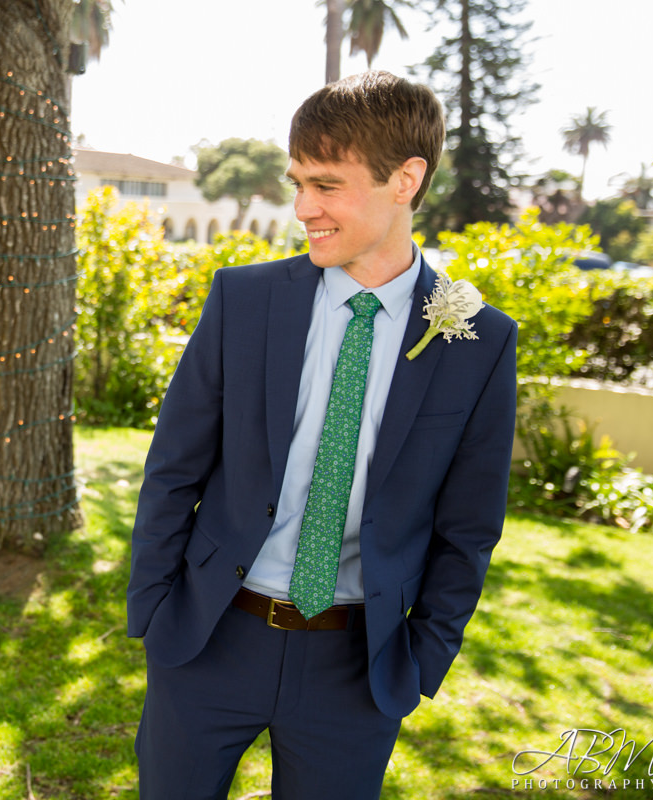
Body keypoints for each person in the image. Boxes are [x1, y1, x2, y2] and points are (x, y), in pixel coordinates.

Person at [127, 71, 518, 799]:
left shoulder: (478, 341)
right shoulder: (241, 301)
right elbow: (173, 467)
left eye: (327, 185)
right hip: (210, 637)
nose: (303, 206)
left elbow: (468, 528)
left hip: (359, 666)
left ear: (406, 180)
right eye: (297, 181)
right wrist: (153, 607)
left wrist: (423, 658)